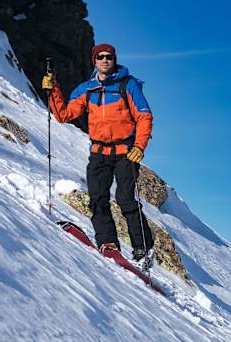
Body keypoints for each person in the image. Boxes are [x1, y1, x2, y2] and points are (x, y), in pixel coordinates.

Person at [42, 43, 155, 265]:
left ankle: (143, 249)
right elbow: (64, 115)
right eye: (100, 57)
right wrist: (53, 89)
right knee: (97, 198)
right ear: (94, 61)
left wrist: (139, 146)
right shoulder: (87, 89)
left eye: (108, 57)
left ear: (114, 60)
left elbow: (144, 116)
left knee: (125, 199)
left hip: (126, 153)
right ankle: (108, 243)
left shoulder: (128, 85)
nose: (104, 60)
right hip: (98, 153)